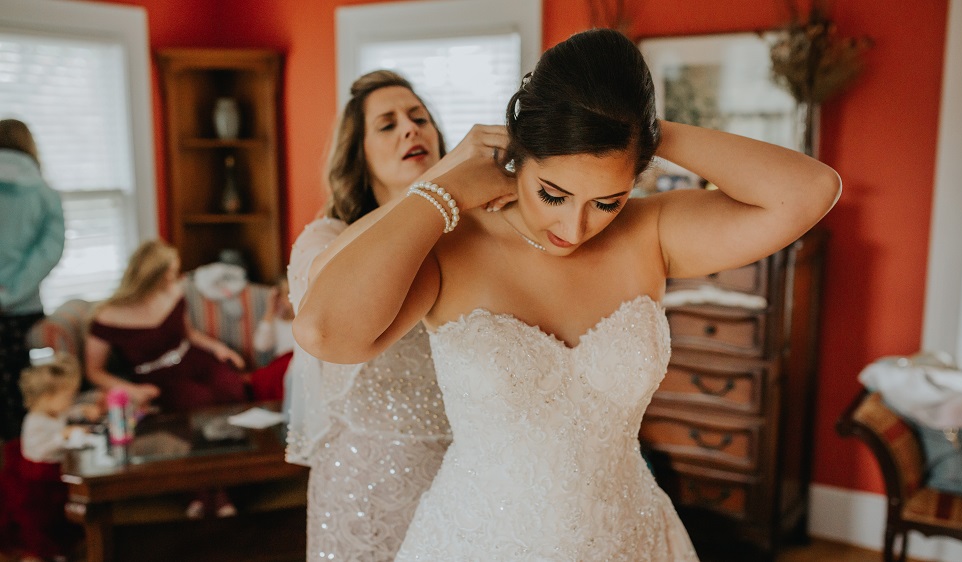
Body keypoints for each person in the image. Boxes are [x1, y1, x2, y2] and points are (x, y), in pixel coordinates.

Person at [295, 29, 841, 560]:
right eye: (553, 193)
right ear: (521, 152)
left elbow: (810, 192)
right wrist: (445, 189)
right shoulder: (452, 245)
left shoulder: (649, 233)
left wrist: (645, 131)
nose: (574, 228)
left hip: (631, 539)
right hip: (478, 543)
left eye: (608, 201)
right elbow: (325, 331)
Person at [284, 69, 452, 561]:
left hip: (469, 471)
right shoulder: (325, 239)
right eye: (387, 124)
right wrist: (430, 199)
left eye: (419, 117)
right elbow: (324, 314)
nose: (410, 129)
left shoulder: (478, 236)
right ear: (359, 154)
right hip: (369, 483)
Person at [84, 239, 247, 412]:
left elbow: (189, 333)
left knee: (232, 389)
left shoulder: (174, 293)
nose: (176, 278)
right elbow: (94, 371)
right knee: (198, 403)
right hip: (157, 377)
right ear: (154, 277)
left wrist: (218, 348)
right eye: (172, 273)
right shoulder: (107, 316)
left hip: (192, 359)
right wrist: (131, 390)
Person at [0, 118, 65, 443]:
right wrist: (12, 290)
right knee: (23, 395)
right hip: (22, 308)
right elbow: (49, 251)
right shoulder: (44, 193)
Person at [0, 350, 96, 562]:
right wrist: (62, 436)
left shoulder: (54, 411)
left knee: (60, 527)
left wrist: (82, 411)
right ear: (47, 397)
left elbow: (67, 414)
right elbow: (38, 449)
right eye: (68, 397)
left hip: (54, 479)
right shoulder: (34, 421)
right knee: (39, 534)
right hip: (37, 486)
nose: (70, 401)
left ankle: (58, 552)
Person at [248, 277, 294, 401]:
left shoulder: (306, 320)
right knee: (263, 377)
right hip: (282, 363)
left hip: (298, 361)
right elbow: (260, 345)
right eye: (286, 295)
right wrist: (270, 310)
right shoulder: (277, 321)